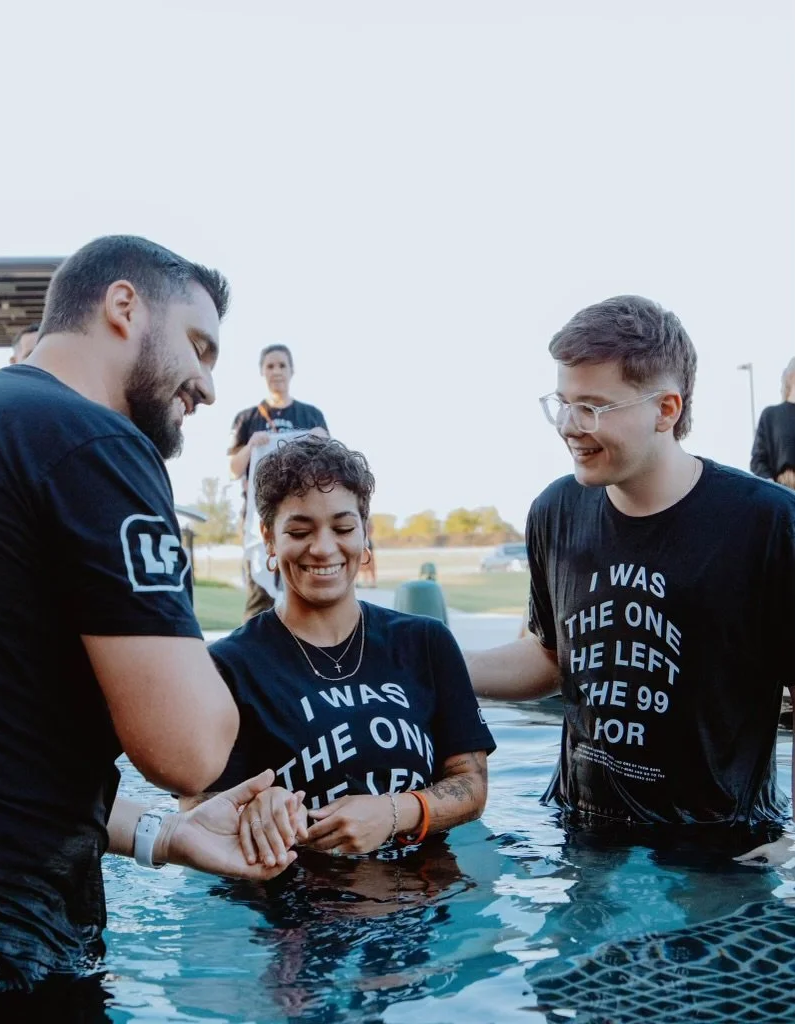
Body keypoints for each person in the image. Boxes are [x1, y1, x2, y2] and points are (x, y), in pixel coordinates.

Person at [0, 235, 301, 1015]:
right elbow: (189, 751)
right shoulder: (92, 440)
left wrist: (163, 835)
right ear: (123, 307)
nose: (209, 386)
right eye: (198, 346)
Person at [467, 295, 795, 858]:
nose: (570, 426)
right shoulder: (555, 511)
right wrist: (432, 663)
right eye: (563, 403)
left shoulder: (766, 523)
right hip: (579, 832)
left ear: (666, 409)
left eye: (593, 407)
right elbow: (552, 657)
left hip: (721, 848)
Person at [189, 435, 495, 864]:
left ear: (365, 533)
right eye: (299, 531)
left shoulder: (426, 642)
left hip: (429, 896)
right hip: (298, 902)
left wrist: (393, 813)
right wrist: (255, 809)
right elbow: (198, 817)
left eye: (343, 528)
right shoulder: (228, 666)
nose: (323, 548)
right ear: (269, 538)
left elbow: (472, 786)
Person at [228, 344, 329, 620]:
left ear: (292, 370)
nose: (276, 371)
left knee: (304, 588)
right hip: (260, 520)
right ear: (262, 372)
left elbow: (331, 470)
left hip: (303, 517)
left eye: (282, 365)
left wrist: (322, 442)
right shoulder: (247, 418)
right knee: (259, 595)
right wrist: (250, 446)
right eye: (270, 366)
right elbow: (233, 469)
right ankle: (253, 645)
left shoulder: (311, 416)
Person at [750, 356, 795, 489]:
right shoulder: (771, 415)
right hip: (785, 491)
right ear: (792, 376)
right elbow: (758, 460)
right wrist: (774, 489)